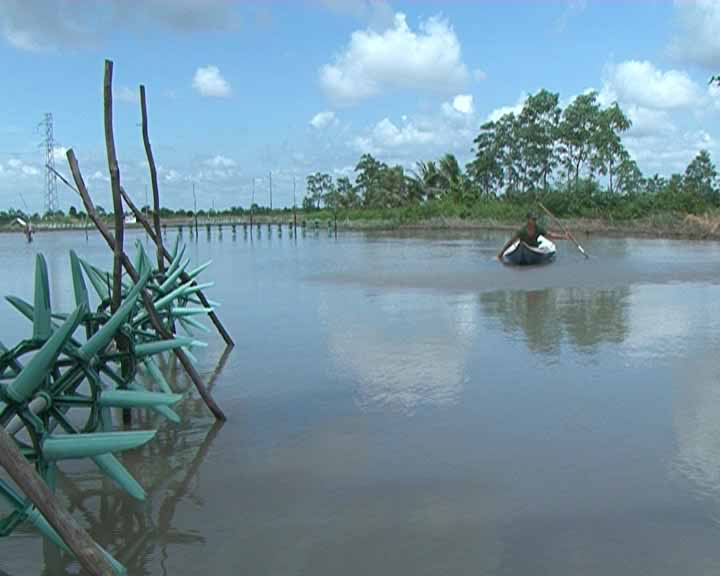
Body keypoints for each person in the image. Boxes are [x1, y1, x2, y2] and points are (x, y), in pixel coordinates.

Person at [497, 211, 569, 260]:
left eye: (535, 219)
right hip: (524, 246)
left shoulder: (538, 229)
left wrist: (564, 237)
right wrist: (501, 253)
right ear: (528, 219)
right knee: (522, 245)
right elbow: (511, 241)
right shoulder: (522, 231)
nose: (534, 221)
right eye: (533, 219)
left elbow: (550, 235)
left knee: (526, 246)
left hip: (534, 248)